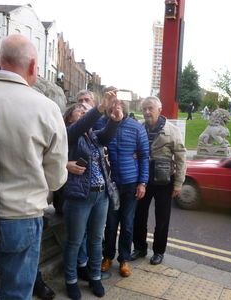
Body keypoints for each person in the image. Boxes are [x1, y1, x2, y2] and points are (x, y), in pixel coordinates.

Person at [0, 34, 68, 299]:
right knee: (17, 294)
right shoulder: (47, 109)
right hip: (20, 219)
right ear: (33, 68)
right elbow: (56, 180)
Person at [62, 92, 123, 299]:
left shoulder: (93, 136)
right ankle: (70, 281)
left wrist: (115, 119)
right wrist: (98, 109)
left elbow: (106, 135)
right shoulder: (70, 134)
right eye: (80, 111)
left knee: (97, 240)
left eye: (86, 110)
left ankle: (95, 277)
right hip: (80, 197)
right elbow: (81, 125)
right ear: (70, 118)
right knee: (75, 241)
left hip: (101, 195)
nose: (84, 112)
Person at [94, 99, 149, 278]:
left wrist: (142, 183)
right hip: (110, 182)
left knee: (127, 223)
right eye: (111, 103)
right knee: (110, 223)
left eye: (117, 103)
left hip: (130, 182)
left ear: (123, 106)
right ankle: (108, 256)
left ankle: (124, 259)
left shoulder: (136, 127)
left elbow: (143, 156)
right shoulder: (100, 123)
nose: (114, 106)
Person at [131, 96, 186, 265]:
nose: (147, 112)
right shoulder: (138, 127)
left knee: (162, 218)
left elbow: (181, 158)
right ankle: (140, 248)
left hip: (164, 181)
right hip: (142, 179)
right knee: (139, 216)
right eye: (144, 109)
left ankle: (159, 251)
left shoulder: (172, 130)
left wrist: (178, 182)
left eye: (150, 108)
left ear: (159, 110)